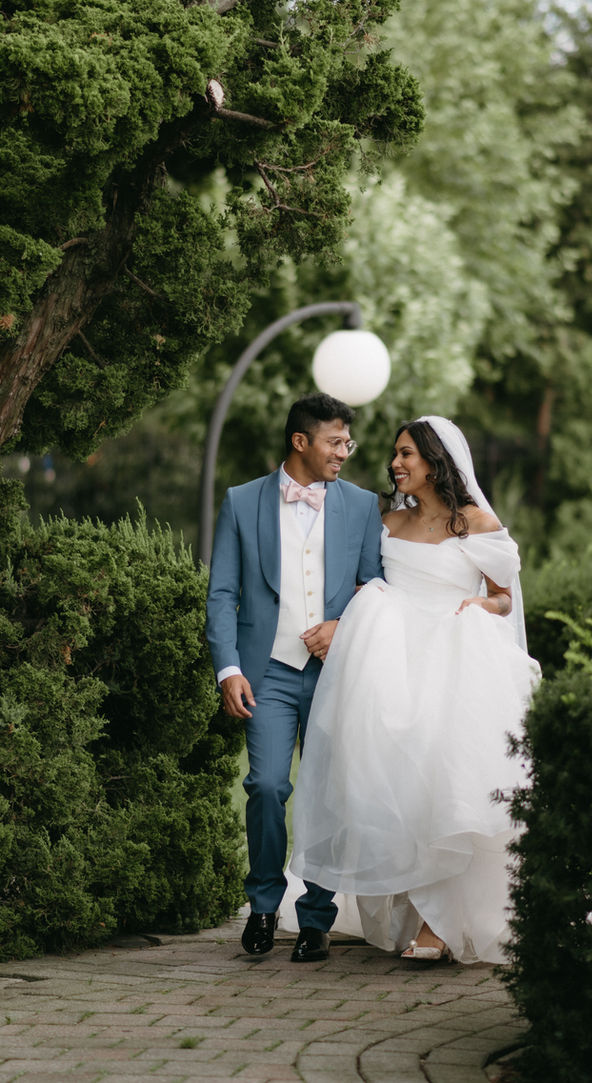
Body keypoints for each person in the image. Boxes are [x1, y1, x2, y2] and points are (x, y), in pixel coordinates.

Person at [289, 416, 541, 964]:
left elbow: (504, 597)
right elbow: (363, 581)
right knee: (395, 785)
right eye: (395, 454)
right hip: (392, 663)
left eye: (407, 454)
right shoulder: (388, 522)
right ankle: (407, 906)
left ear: (435, 460)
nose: (395, 463)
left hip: (454, 659)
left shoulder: (476, 521)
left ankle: (438, 925)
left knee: (446, 784)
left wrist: (482, 605)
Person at [206, 393, 383, 963]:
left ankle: (316, 919)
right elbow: (222, 593)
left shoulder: (362, 505)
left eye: (348, 442)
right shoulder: (241, 501)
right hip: (269, 672)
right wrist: (229, 668)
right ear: (300, 441)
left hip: (335, 673)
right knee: (266, 786)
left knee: (327, 793)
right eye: (335, 441)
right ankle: (263, 905)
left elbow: (377, 588)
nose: (345, 452)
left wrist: (342, 626)